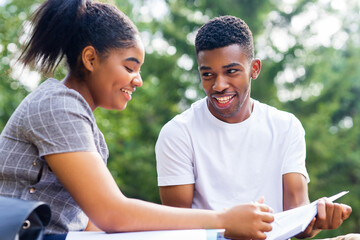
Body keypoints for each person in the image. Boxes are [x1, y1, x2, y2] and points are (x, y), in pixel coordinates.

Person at [0, 1, 275, 240]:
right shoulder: (57, 105)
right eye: (130, 67)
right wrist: (224, 220)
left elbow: (95, 224)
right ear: (90, 58)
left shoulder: (83, 124)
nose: (138, 80)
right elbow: (112, 213)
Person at [155, 15, 352, 239]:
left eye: (231, 71)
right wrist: (229, 227)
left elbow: (297, 215)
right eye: (208, 74)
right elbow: (177, 226)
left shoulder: (286, 127)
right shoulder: (178, 133)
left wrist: (317, 220)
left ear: (254, 68)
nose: (218, 85)